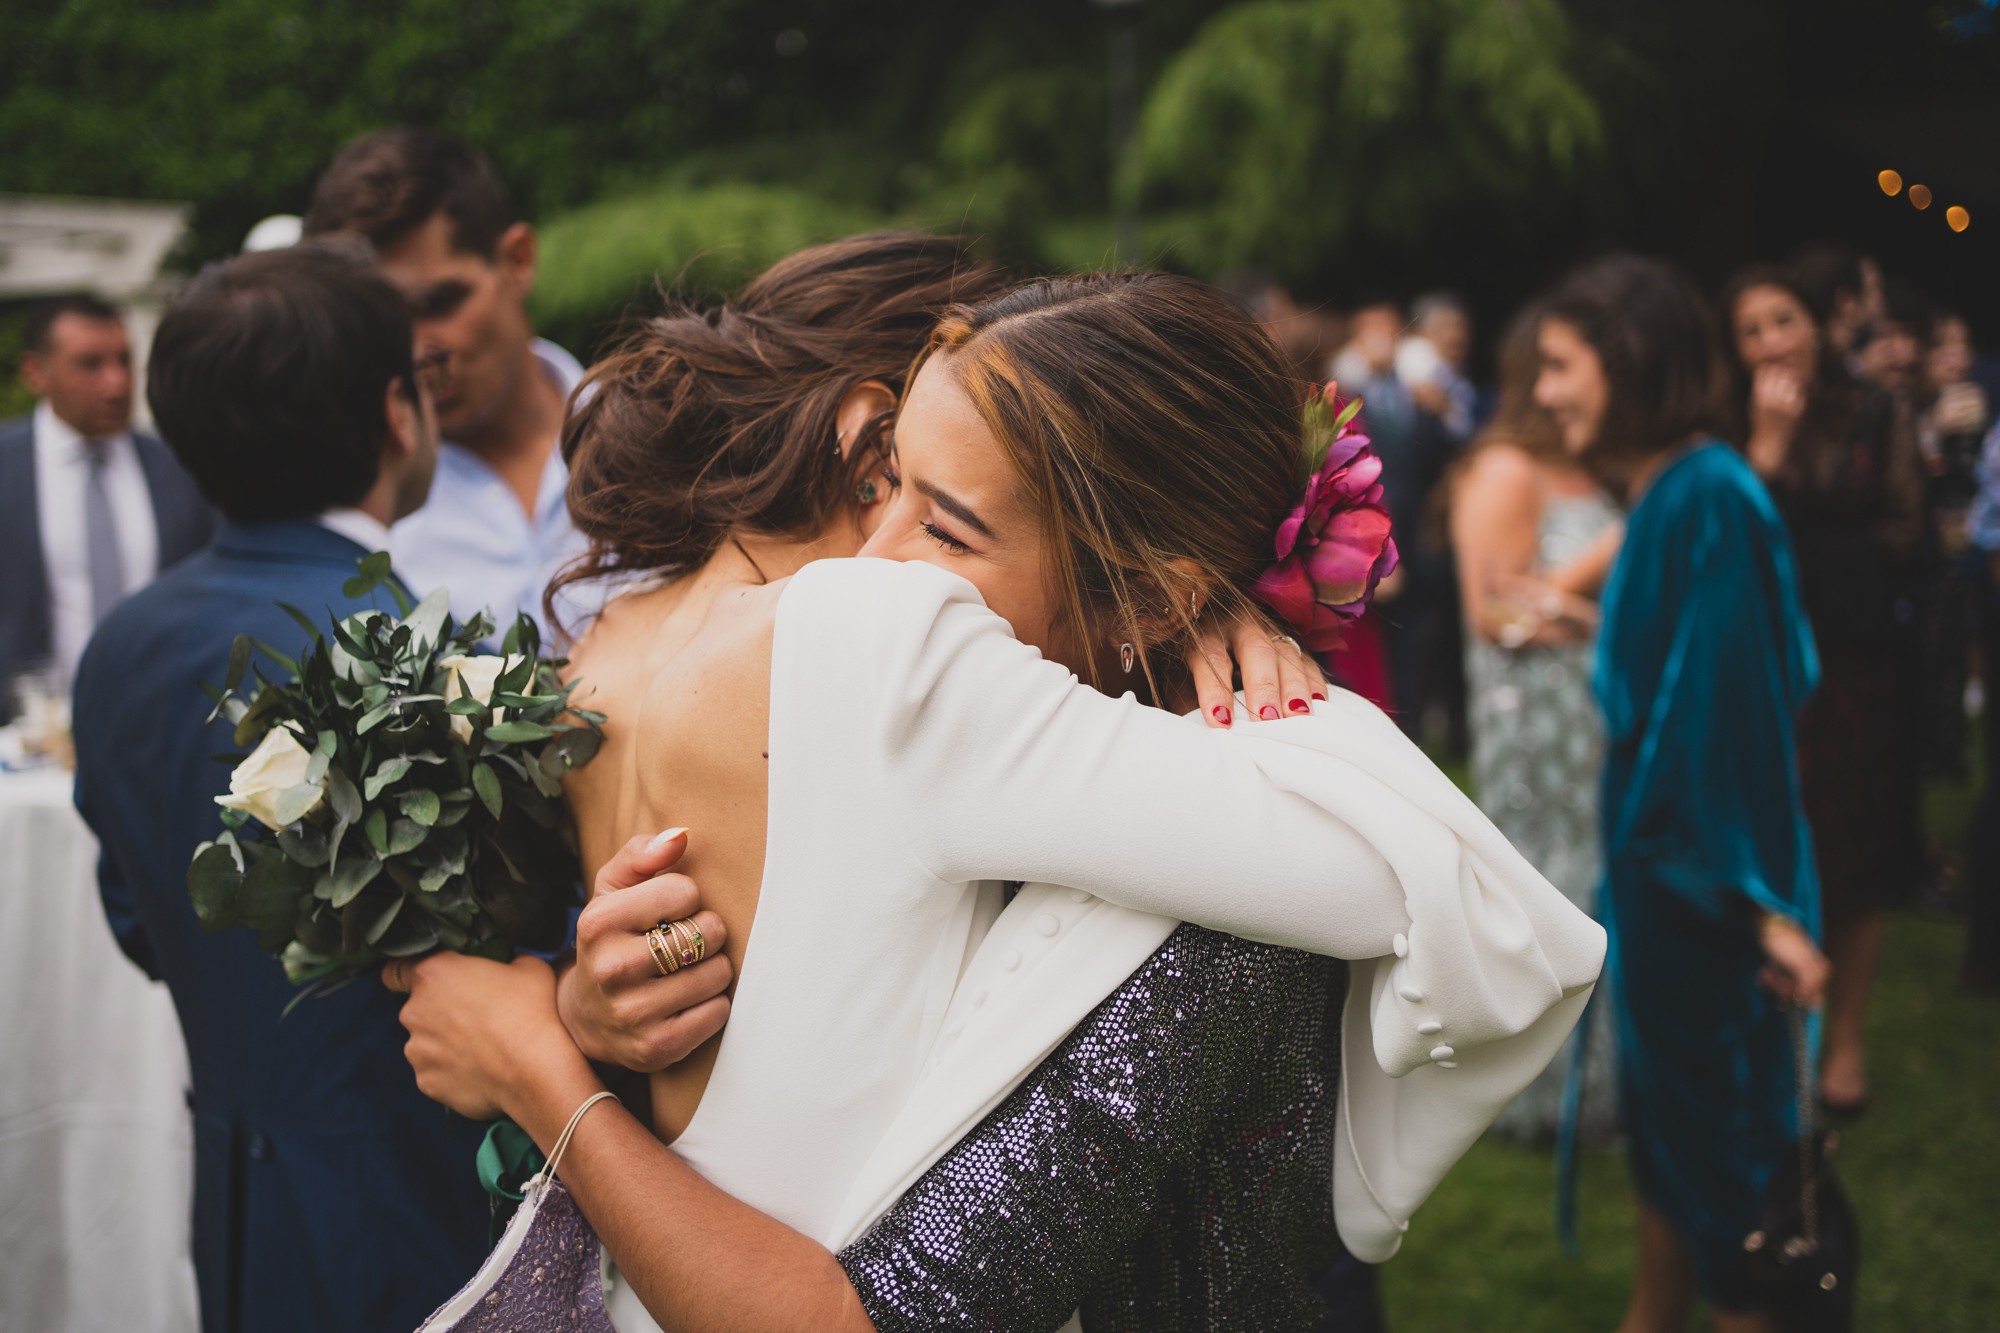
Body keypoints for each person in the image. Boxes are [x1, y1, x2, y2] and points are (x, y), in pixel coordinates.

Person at [388, 268, 1604, 1331]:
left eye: (945, 529)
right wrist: (584, 1016)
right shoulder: (986, 729)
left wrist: (542, 1058)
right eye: (889, 487)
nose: (867, 570)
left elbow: (1432, 893)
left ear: (1141, 597)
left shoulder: (1184, 901)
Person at [68, 244, 487, 1333]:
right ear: (398, 412)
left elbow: (142, 918)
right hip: (430, 1210)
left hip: (242, 1207)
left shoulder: (119, 648)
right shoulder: (425, 655)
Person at [1536, 255, 1832, 1333]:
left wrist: (1761, 912)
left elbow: (1733, 724)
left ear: (1626, 361)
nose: (1543, 392)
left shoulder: (1709, 496)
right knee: (1670, 1166)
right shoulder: (1667, 493)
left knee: (1732, 1206)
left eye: (1561, 366)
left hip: (1710, 904)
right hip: (1661, 891)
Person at [1723, 264, 1927, 1118]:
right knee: (1773, 845)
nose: (1771, 341)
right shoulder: (1730, 430)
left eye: (1784, 321)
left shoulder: (1875, 412)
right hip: (1766, 671)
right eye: (1752, 330)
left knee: (1857, 856)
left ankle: (1844, 1041)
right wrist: (1766, 450)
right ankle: (1773, 1039)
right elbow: (1728, 548)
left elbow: (1909, 532)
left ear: (1817, 325)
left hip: (1854, 667)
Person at [1449, 300, 1622, 1146]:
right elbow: (1495, 614)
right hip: (1534, 715)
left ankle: (1603, 1081)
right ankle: (1538, 1097)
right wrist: (1597, 620)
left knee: (1599, 878)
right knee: (1549, 883)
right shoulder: (1506, 469)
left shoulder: (1599, 469)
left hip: (1590, 709)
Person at [303, 127, 587, 634]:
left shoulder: (661, 445)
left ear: (517, 260)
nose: (415, 350)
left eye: (439, 303)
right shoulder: (355, 512)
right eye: (384, 322)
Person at [0, 295, 212, 700]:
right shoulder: (7, 468)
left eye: (124, 359)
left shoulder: (180, 467)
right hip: (33, 734)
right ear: (35, 372)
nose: (117, 383)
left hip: (163, 712)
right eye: (90, 364)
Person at [1335, 301, 1466, 750]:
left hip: (1419, 541)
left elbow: (1447, 458)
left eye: (1389, 333)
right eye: (1371, 333)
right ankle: (1384, 739)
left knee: (1421, 644)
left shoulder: (1421, 395)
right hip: (1369, 545)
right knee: (1377, 651)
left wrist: (1443, 410)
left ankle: (1421, 735)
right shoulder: (1346, 401)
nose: (1381, 343)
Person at [1398, 292, 1477, 442]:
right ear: (1421, 332)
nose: (1455, 335)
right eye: (1444, 326)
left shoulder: (1460, 379)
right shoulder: (1406, 360)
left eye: (1461, 326)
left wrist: (1445, 408)